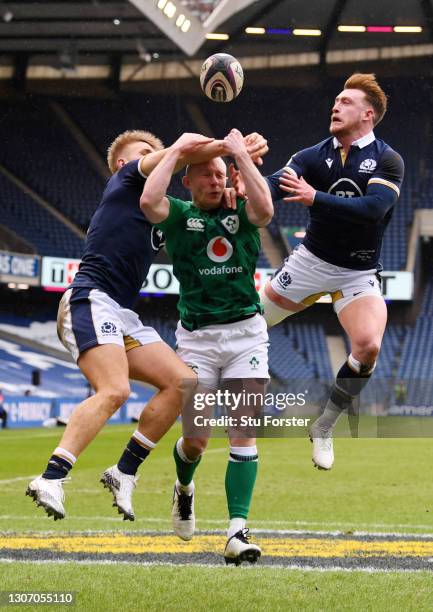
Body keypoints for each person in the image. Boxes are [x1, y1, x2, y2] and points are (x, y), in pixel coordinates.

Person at [26, 128, 268, 520]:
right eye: (146, 152)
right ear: (125, 163)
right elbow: (183, 148)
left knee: (184, 383)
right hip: (92, 297)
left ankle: (124, 471)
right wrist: (228, 145)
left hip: (122, 312)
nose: (158, 155)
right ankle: (52, 477)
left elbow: (204, 201)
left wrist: (230, 180)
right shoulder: (124, 180)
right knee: (115, 389)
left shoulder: (167, 207)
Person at [131, 128, 273, 565]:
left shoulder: (243, 211)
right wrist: (174, 153)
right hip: (195, 342)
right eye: (204, 175)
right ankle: (184, 488)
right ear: (187, 182)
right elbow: (147, 203)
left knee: (243, 433)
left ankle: (237, 530)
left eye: (219, 174)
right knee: (195, 442)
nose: (214, 181)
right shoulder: (176, 213)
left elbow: (266, 209)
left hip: (247, 334)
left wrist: (238, 157)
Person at [260, 73, 404, 469]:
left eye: (346, 101)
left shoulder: (388, 160)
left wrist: (314, 197)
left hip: (357, 273)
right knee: (249, 325)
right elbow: (276, 184)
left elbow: (373, 209)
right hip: (309, 264)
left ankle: (324, 425)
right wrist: (245, 180)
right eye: (335, 100)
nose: (336, 105)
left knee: (369, 347)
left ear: (367, 114)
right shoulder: (312, 154)